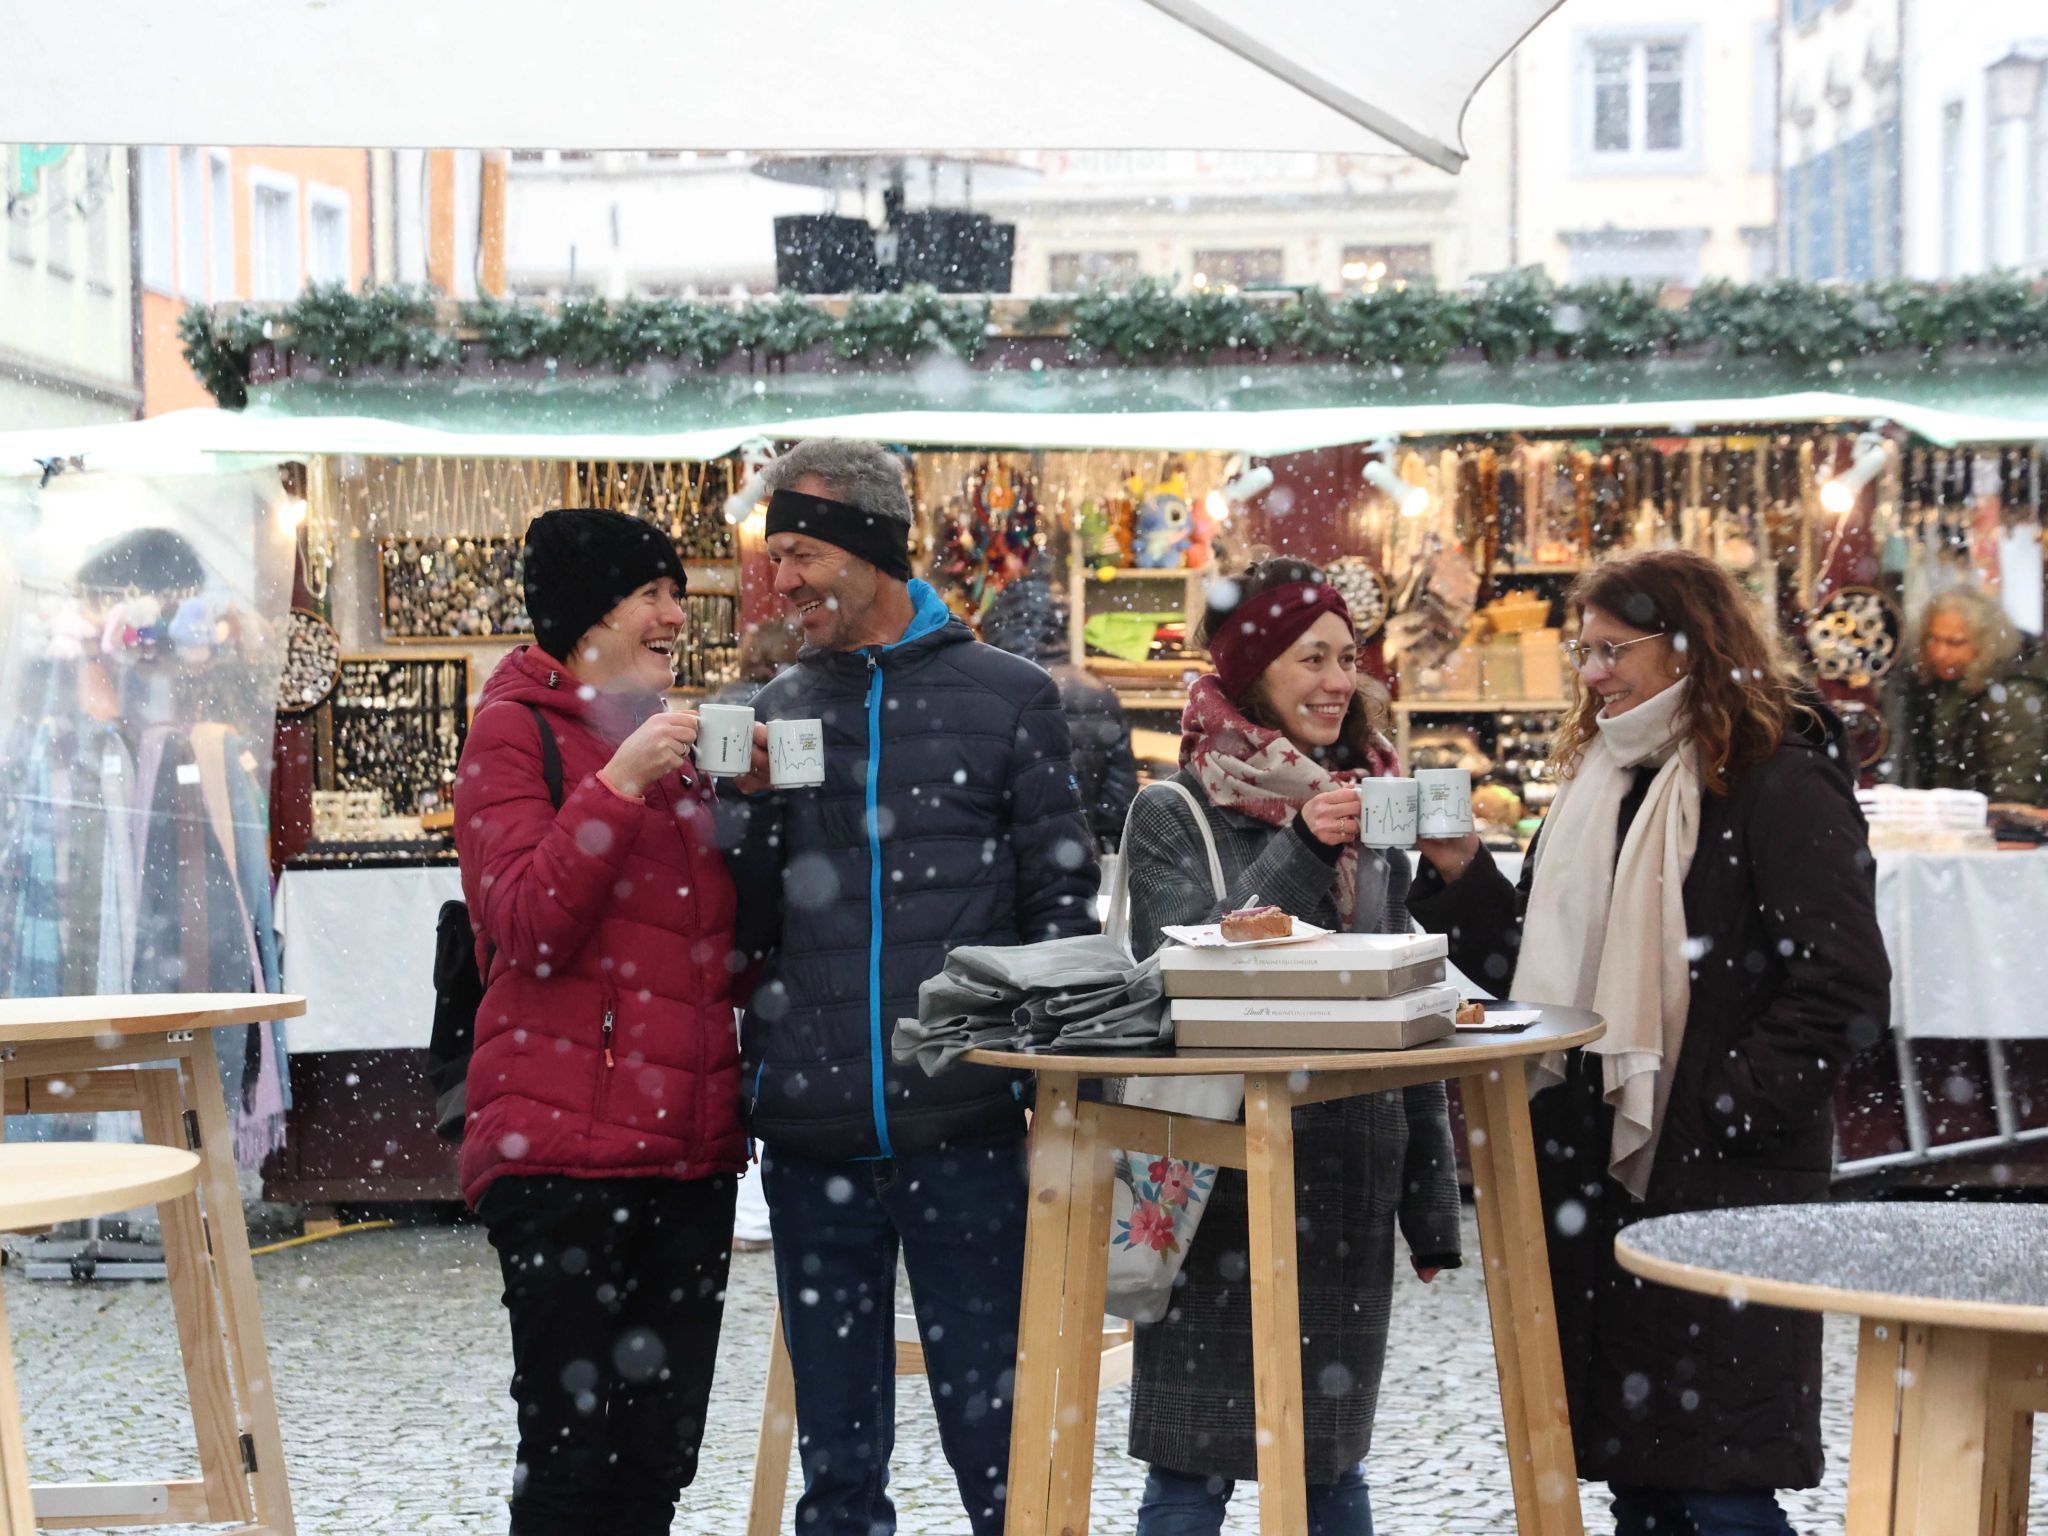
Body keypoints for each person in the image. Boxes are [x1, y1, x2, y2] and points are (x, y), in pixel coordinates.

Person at [1408, 548, 1890, 1536]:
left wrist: (1722, 1111)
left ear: (1687, 646)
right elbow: (1543, 976)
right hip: (1598, 1166)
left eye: (1612, 651)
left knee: (1720, 1485)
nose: (1591, 675)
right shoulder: (1601, 781)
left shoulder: (1776, 776)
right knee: (1641, 1479)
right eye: (1581, 653)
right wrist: (1461, 875)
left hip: (1719, 1176)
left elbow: (1840, 982)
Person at [719, 438, 1100, 1536]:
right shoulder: (778, 706)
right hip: (812, 1128)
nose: (779, 582)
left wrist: (1048, 1097)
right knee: (836, 1459)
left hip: (966, 1119)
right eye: (771, 557)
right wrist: (736, 811)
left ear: (870, 547)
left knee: (996, 1438)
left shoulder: (1008, 698)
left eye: (797, 554)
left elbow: (1061, 916)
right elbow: (745, 924)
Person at [1118, 557, 1462, 1536]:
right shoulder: (1172, 811)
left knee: (1326, 1462)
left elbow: (1409, 1008)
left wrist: (1429, 1206)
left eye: (1346, 658)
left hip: (1349, 1174)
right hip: (1216, 1175)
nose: (1334, 681)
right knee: (1189, 1468)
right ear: (1253, 667)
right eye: (1309, 657)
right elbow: (1195, 980)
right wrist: (1305, 849)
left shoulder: (1368, 806)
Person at [454, 507, 744, 1536]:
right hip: (563, 1163)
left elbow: (713, 953)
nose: (678, 613)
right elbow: (528, 924)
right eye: (652, 593)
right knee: (574, 1461)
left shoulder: (677, 746)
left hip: (688, 1156)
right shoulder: (515, 732)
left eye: (677, 592)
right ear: (588, 616)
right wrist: (619, 785)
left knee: (655, 1462)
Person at [706, 613, 804, 1251]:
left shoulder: (721, 716)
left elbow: (729, 829)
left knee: (753, 1069)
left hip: (752, 927)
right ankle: (755, 1214)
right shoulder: (801, 714)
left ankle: (747, 1216)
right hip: (796, 923)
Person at [981, 571, 1140, 850]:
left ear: (999, 625)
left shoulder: (986, 690)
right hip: (1075, 861)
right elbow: (1117, 803)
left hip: (1000, 868)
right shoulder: (1099, 694)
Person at [1893, 583, 2048, 806]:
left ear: (1984, 644)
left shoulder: (2012, 697)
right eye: (1933, 639)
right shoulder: (1939, 686)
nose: (1939, 653)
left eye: (1955, 643)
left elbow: (2015, 794)